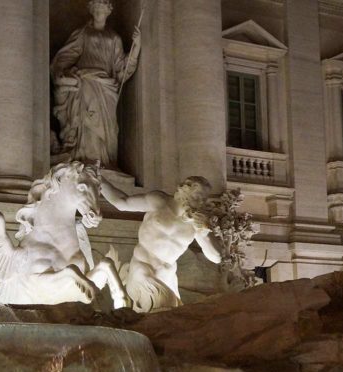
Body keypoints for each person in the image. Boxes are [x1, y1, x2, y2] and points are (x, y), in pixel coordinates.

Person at [100, 176, 222, 312]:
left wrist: (204, 232)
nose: (200, 202)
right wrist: (99, 180)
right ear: (184, 191)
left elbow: (216, 258)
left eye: (204, 200)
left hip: (167, 275)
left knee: (172, 321)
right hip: (142, 268)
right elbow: (122, 203)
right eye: (197, 196)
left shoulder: (197, 224)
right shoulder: (159, 201)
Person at [51, 0, 141, 168]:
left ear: (108, 12)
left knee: (109, 129)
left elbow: (121, 68)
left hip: (106, 88)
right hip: (87, 83)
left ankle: (104, 161)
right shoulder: (83, 33)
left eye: (103, 9)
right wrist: (60, 72)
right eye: (96, 9)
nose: (99, 12)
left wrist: (136, 48)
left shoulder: (114, 38)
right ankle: (85, 160)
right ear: (91, 11)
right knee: (87, 123)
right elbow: (66, 56)